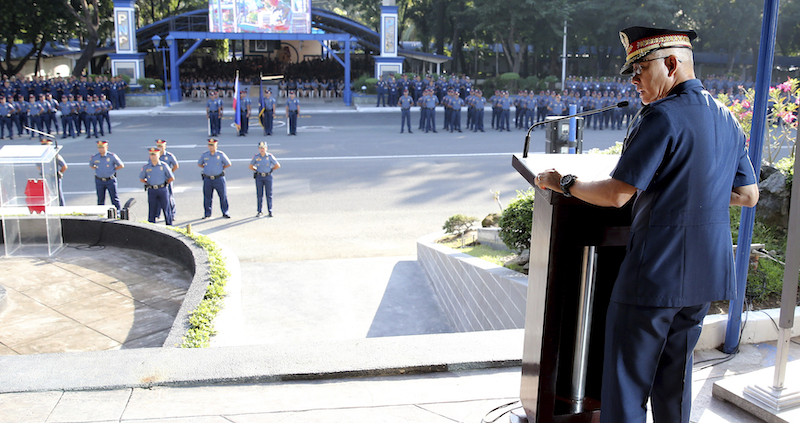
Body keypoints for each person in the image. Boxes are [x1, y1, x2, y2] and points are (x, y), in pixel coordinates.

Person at [533, 26, 759, 423]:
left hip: (655, 275)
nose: (634, 78)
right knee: (676, 380)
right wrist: (689, 188)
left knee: (626, 383)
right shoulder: (727, 118)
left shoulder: (660, 116)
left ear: (672, 63)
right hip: (706, 274)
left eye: (640, 67)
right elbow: (747, 194)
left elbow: (617, 194)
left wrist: (562, 182)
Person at [140, 147, 175, 225]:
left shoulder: (164, 165)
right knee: (152, 208)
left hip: (162, 189)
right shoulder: (146, 167)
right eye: (151, 155)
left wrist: (165, 184)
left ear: (159, 155)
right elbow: (141, 178)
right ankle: (151, 225)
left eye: (155, 155)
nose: (153, 156)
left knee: (166, 208)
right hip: (152, 190)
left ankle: (169, 224)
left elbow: (171, 177)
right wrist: (148, 183)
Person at [198, 138, 231, 219]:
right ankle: (207, 213)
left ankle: (225, 212)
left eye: (213, 145)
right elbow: (200, 164)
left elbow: (228, 164)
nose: (211, 147)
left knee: (223, 196)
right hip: (208, 179)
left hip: (219, 178)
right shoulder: (204, 155)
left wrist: (220, 169)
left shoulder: (220, 155)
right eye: (210, 145)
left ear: (216, 146)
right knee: (207, 197)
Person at [89, 140, 124, 213]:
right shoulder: (95, 157)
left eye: (102, 147)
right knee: (100, 199)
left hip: (110, 180)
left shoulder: (112, 156)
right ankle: (100, 213)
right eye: (99, 148)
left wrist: (112, 170)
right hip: (99, 180)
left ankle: (118, 213)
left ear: (106, 147)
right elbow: (91, 165)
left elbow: (121, 165)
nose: (101, 149)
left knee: (114, 198)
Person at [249, 141, 280, 217]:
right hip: (259, 177)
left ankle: (270, 210)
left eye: (263, 148)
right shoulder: (256, 157)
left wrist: (271, 170)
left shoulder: (269, 156)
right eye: (260, 148)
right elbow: (250, 166)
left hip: (268, 176)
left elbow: (277, 165)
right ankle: (259, 211)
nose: (262, 150)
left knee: (269, 194)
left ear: (266, 148)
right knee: (259, 194)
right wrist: (256, 170)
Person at [156, 139, 179, 219]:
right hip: (158, 180)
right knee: (157, 197)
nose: (159, 148)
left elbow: (176, 165)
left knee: (169, 197)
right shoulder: (155, 155)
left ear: (165, 147)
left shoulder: (169, 156)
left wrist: (170, 174)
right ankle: (157, 214)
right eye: (158, 146)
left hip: (167, 180)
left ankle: (172, 214)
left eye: (161, 146)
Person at [40, 139, 67, 206]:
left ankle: (61, 207)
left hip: (54, 176)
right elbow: (38, 166)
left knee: (58, 193)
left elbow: (64, 166)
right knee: (47, 193)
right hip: (46, 176)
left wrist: (59, 172)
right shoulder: (41, 156)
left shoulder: (55, 155)